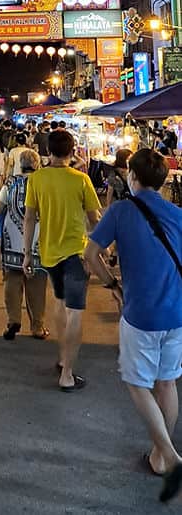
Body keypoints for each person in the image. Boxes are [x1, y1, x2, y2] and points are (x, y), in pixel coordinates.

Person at [85, 148, 182, 502]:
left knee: (137, 382)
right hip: (176, 312)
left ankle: (169, 456)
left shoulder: (121, 210)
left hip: (141, 313)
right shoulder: (178, 214)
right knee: (167, 380)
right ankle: (159, 455)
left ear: (132, 177)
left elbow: (90, 254)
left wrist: (112, 284)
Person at [23, 129, 102, 391]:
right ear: (72, 151)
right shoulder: (80, 180)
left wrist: (26, 254)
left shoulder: (37, 179)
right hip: (75, 254)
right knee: (76, 311)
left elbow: (30, 218)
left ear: (47, 151)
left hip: (49, 252)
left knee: (59, 301)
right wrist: (105, 249)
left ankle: (61, 356)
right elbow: (94, 219)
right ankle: (67, 374)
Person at [0, 148, 48, 340]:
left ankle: (13, 319)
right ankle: (37, 327)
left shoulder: (11, 182)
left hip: (13, 238)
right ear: (37, 164)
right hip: (37, 239)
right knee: (37, 283)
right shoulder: (43, 182)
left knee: (12, 279)